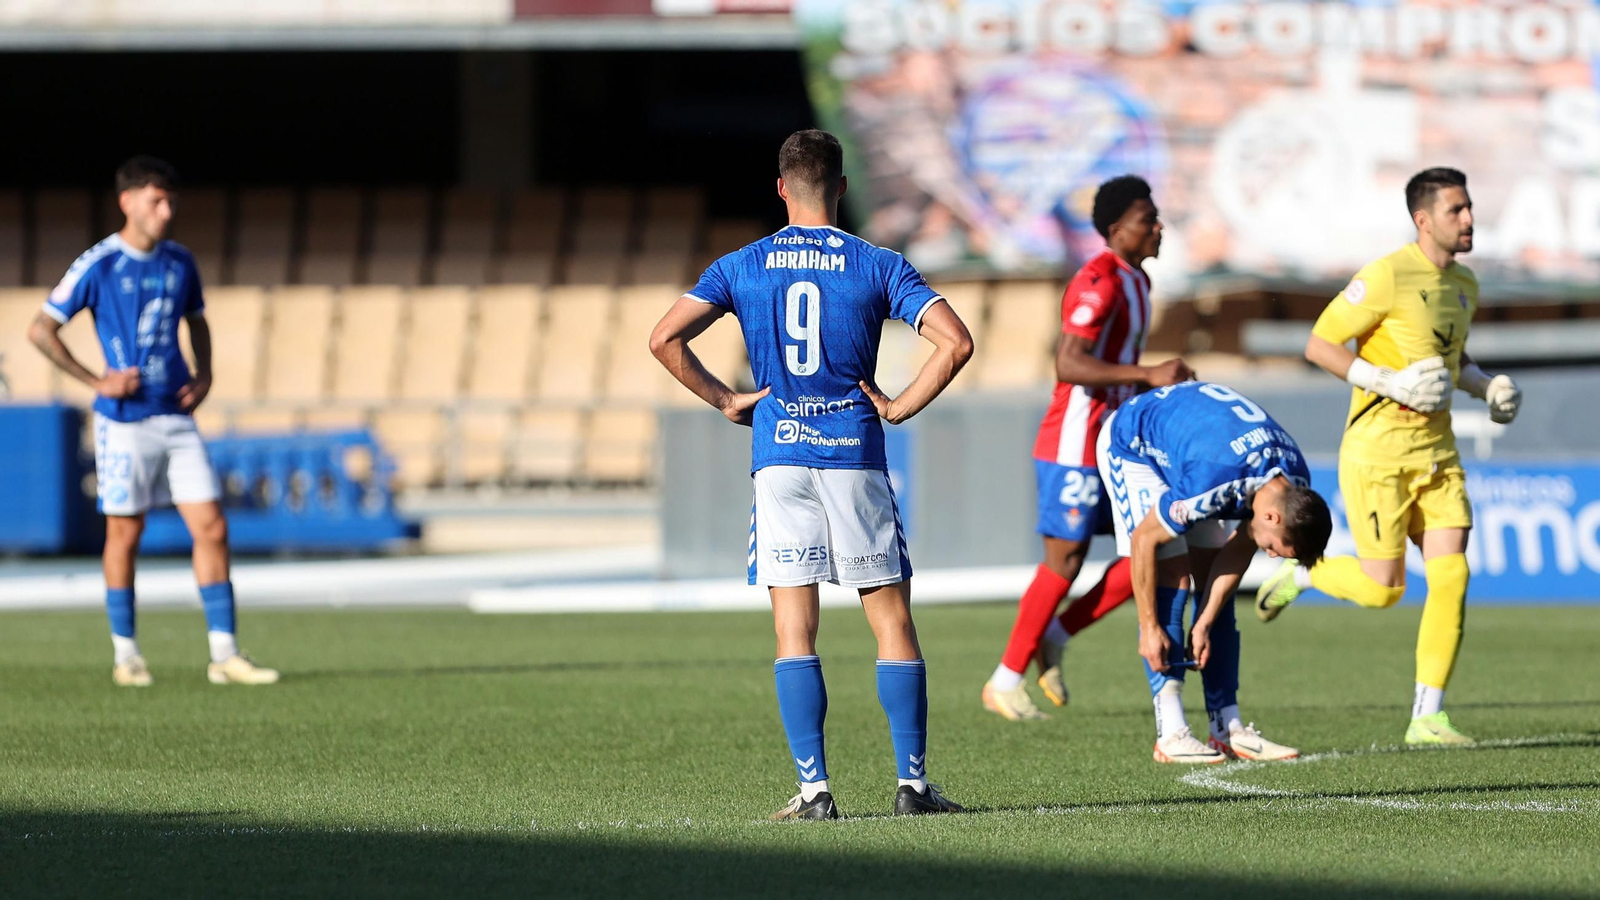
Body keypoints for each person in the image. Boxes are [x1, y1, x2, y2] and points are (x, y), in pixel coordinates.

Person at [649, 129, 974, 819]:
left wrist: (726, 399)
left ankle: (814, 790)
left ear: (780, 188)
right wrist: (899, 405)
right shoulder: (878, 263)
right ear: (844, 188)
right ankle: (912, 785)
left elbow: (663, 338)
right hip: (853, 451)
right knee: (890, 620)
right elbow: (956, 342)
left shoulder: (741, 264)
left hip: (779, 456)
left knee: (795, 627)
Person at [1256, 167, 1521, 746]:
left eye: (1470, 207)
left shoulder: (1465, 287)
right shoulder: (1385, 276)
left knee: (1452, 573)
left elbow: (1453, 360)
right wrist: (1389, 383)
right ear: (1423, 220)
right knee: (1384, 590)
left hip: (1438, 452)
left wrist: (1486, 386)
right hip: (1378, 456)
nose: (1469, 219)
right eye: (1456, 210)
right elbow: (1318, 343)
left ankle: (1427, 716)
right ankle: (1307, 572)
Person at [27, 156, 278, 687]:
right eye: (155, 200)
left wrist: (204, 373)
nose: (165, 211)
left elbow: (197, 319)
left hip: (176, 415)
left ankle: (225, 653)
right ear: (127, 201)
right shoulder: (99, 264)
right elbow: (41, 329)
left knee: (212, 526)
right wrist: (96, 379)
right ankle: (127, 655)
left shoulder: (179, 262)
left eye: (169, 202)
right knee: (126, 532)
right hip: (124, 420)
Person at [982, 175, 1192, 721]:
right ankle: (1004, 680)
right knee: (1066, 560)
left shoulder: (1137, 281)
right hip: (1075, 439)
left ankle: (1055, 632)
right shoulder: (1098, 280)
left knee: (1156, 545)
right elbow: (1068, 363)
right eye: (1148, 219)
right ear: (1116, 229)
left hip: (1118, 441)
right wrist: (1147, 374)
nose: (1158, 226)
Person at [1100, 381, 1331, 763]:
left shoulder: (1294, 483)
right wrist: (1148, 628)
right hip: (1136, 443)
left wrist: (1204, 621)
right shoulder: (1213, 481)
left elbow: (1239, 547)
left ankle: (1227, 727)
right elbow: (1144, 541)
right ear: (1271, 517)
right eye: (1274, 548)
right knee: (1172, 578)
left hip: (1198, 451)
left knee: (1213, 592)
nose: (1270, 556)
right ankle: (1171, 731)